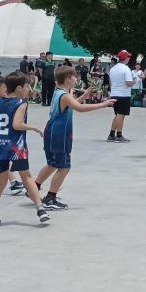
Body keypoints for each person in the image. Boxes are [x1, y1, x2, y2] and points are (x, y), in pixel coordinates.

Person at [33, 67, 116, 210]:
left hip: (51, 133)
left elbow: (72, 104)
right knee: (64, 167)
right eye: (74, 77)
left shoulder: (59, 93)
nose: (76, 80)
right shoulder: (64, 95)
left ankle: (34, 188)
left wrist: (85, 95)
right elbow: (79, 108)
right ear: (68, 79)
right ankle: (50, 198)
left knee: (52, 164)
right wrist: (102, 104)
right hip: (59, 134)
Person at [0, 71, 51, 228]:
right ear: (19, 88)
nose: (29, 89)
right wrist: (33, 127)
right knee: (26, 177)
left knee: (1, 181)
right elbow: (16, 125)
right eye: (27, 86)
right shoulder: (21, 103)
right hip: (16, 146)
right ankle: (40, 210)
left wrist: (1, 129)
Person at [106, 50, 136, 143]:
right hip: (123, 94)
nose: (129, 59)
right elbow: (128, 83)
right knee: (121, 115)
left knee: (117, 114)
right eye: (128, 57)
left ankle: (112, 134)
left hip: (114, 93)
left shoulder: (113, 69)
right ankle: (119, 134)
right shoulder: (126, 69)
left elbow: (111, 82)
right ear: (126, 58)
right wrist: (136, 80)